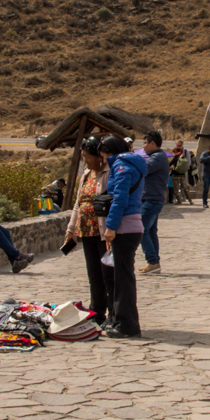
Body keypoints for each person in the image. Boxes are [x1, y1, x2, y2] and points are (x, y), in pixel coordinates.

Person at [100, 136, 146, 337]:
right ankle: (121, 320)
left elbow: (120, 198)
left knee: (123, 279)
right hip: (131, 224)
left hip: (125, 226)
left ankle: (127, 325)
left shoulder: (121, 167)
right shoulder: (130, 164)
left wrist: (110, 227)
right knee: (122, 277)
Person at [64, 136, 113, 325]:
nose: (86, 160)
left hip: (102, 231)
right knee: (93, 274)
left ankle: (111, 313)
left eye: (88, 157)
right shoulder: (86, 175)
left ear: (99, 156)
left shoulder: (108, 173)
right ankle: (97, 312)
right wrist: (71, 228)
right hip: (86, 231)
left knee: (106, 274)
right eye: (83, 156)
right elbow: (78, 203)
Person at [137, 130, 169, 274]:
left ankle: (152, 260)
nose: (143, 146)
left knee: (141, 230)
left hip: (151, 199)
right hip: (152, 198)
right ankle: (154, 261)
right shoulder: (156, 156)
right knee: (151, 231)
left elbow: (144, 168)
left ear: (152, 143)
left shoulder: (157, 157)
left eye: (145, 143)